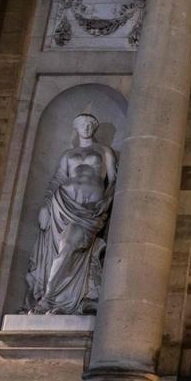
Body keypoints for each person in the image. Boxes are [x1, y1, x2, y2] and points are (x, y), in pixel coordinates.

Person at [24, 113, 118, 315]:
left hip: (89, 210)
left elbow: (113, 180)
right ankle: (54, 298)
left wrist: (107, 200)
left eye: (91, 123)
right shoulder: (68, 154)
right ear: (76, 128)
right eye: (82, 124)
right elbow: (57, 180)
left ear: (95, 127)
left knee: (68, 246)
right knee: (61, 250)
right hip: (62, 204)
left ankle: (48, 299)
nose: (86, 127)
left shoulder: (104, 151)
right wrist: (45, 207)